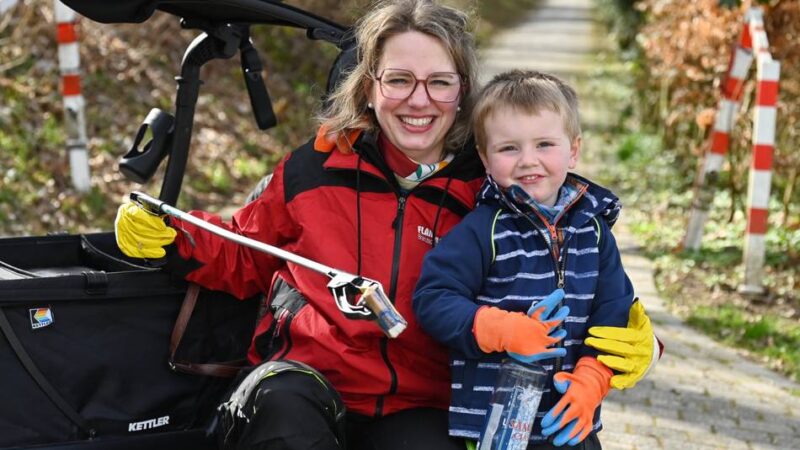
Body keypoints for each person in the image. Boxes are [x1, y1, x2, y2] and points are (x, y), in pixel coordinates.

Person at [113, 1, 659, 449]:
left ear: (462, 90)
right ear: (369, 87)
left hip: (421, 402)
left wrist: (634, 346)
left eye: (439, 83)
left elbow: (574, 265)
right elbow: (242, 252)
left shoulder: (494, 188)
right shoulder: (315, 169)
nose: (418, 100)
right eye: (398, 80)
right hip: (305, 382)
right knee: (284, 412)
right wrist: (172, 235)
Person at [413, 70, 643, 449]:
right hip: (495, 425)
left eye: (544, 144)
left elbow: (613, 311)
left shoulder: (594, 230)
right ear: (485, 159)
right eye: (509, 148)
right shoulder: (483, 229)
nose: (528, 160)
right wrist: (496, 328)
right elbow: (433, 297)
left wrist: (594, 376)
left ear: (574, 149)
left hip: (571, 420)